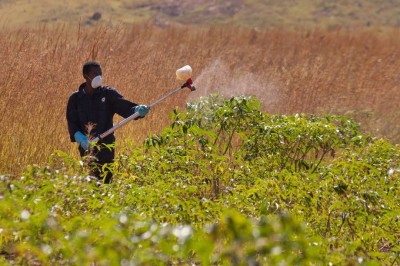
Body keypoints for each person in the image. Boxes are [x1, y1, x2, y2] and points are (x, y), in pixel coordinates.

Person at [66, 61, 149, 183]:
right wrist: (80, 138)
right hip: (87, 148)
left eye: (100, 73)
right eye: (95, 73)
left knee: (106, 181)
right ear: (85, 75)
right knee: (91, 181)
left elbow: (123, 107)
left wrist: (136, 110)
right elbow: (72, 122)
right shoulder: (75, 99)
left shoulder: (108, 94)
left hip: (106, 147)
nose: (98, 77)